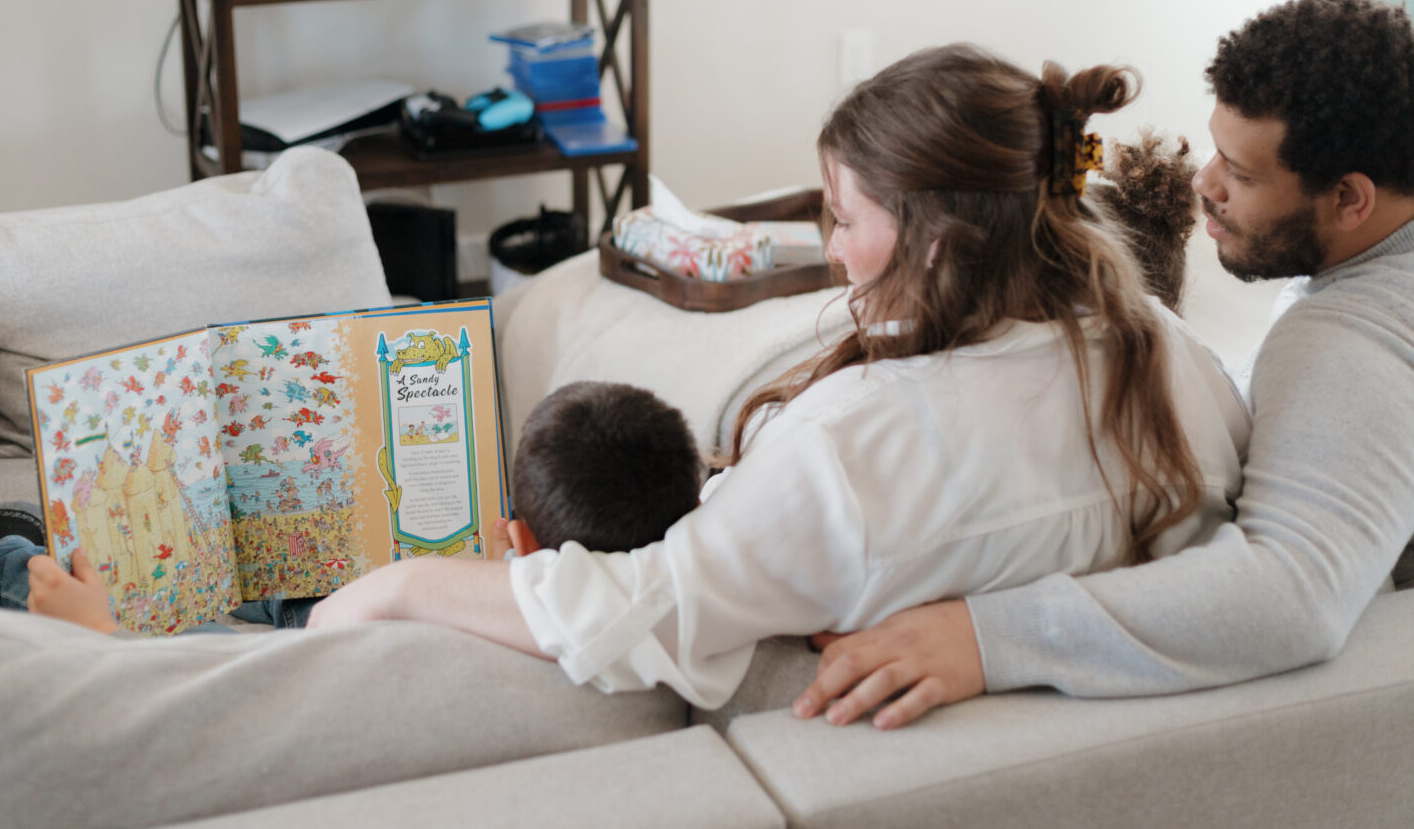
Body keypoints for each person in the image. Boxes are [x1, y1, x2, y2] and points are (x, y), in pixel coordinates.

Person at [305, 44, 1253, 711]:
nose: (832, 252)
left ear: (938, 243)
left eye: (844, 218)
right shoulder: (1184, 362)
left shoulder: (851, 442)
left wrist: (394, 589)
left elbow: (631, 610)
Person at [796, 0, 1414, 730]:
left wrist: (981, 636)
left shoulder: (1357, 350)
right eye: (1217, 149)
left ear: (1351, 199)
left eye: (1242, 176)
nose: (1205, 183)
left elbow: (1292, 594)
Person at [0, 381, 704, 635]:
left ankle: (8, 551)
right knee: (271, 581)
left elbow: (216, 679)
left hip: (314, 642)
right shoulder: (674, 602)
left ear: (515, 536)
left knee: (26, 565)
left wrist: (104, 634)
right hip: (337, 604)